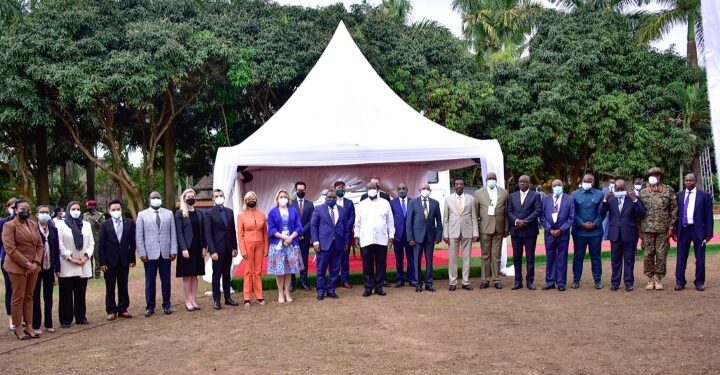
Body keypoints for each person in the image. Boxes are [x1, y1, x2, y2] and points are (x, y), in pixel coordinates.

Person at [2, 199, 43, 340]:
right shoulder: (9, 226)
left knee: (29, 297)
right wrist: (27, 264)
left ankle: (29, 326)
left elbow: (40, 245)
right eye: (22, 209)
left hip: (34, 266)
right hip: (17, 267)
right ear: (15, 210)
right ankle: (18, 328)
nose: (26, 212)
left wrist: (36, 262)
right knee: (18, 298)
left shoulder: (32, 224)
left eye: (28, 209)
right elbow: (10, 249)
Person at [136, 191, 177, 317]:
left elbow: (173, 233)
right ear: (149, 199)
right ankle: (150, 306)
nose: (156, 199)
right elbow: (139, 236)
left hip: (165, 253)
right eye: (153, 197)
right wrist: (142, 253)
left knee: (166, 281)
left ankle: (167, 305)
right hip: (149, 254)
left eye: (158, 197)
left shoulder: (169, 214)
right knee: (150, 282)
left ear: (161, 199)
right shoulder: (142, 215)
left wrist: (173, 250)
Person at [600, 180, 646, 291]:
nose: (619, 191)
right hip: (615, 234)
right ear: (614, 188)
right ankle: (615, 282)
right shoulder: (610, 199)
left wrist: (635, 199)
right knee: (615, 259)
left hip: (629, 233)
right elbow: (601, 212)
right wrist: (605, 199)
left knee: (629, 259)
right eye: (618, 189)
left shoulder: (632, 198)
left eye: (622, 189)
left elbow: (642, 212)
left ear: (625, 188)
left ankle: (629, 283)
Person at [57, 201, 94, 327]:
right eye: (73, 208)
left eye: (78, 209)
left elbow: (91, 243)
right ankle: (66, 320)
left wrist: (85, 257)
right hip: (68, 264)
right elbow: (60, 244)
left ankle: (80, 317)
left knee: (80, 293)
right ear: (68, 210)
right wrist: (70, 258)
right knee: (66, 294)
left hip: (83, 263)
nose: (76, 211)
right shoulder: (61, 224)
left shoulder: (86, 225)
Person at [639, 167, 677, 291]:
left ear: (659, 176)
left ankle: (658, 279)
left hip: (663, 229)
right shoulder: (643, 192)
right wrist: (639, 230)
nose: (652, 176)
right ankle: (650, 279)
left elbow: (674, 210)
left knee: (661, 254)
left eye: (655, 174)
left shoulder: (668, 190)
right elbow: (637, 212)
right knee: (648, 254)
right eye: (650, 174)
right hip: (646, 229)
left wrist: (671, 228)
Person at [674, 173, 713, 291]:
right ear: (684, 182)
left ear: (695, 181)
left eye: (691, 180)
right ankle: (680, 281)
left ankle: (699, 282)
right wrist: (675, 230)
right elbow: (675, 215)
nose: (689, 182)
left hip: (699, 231)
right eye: (687, 180)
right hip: (683, 230)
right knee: (681, 257)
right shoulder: (678, 196)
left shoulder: (704, 196)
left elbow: (708, 216)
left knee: (700, 258)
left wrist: (709, 233)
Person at [98, 199, 136, 321]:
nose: (116, 211)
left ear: (122, 210)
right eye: (113, 210)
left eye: (118, 209)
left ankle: (123, 308)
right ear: (109, 211)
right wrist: (102, 262)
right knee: (110, 286)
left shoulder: (129, 223)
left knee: (123, 285)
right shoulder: (105, 225)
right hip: (109, 261)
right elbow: (101, 245)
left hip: (124, 259)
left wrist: (132, 258)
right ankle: (111, 310)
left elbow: (132, 243)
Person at [355, 182, 394, 297]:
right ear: (366, 190)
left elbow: (390, 222)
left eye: (374, 188)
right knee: (367, 264)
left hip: (381, 238)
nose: (372, 189)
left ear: (377, 189)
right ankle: (368, 286)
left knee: (381, 264)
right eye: (369, 188)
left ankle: (379, 286)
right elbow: (357, 223)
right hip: (366, 238)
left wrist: (391, 236)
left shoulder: (385, 203)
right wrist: (356, 236)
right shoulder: (361, 204)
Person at [311, 190, 351, 300]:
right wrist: (315, 242)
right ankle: (321, 290)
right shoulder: (318, 209)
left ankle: (331, 290)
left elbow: (347, 227)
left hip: (338, 244)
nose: (332, 199)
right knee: (321, 269)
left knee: (335, 269)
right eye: (329, 197)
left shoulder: (342, 210)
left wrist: (347, 242)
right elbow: (313, 226)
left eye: (334, 197)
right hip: (323, 244)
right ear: (325, 198)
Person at [266, 189, 304, 303]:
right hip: (278, 245)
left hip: (291, 244)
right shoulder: (272, 212)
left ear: (288, 198)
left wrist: (291, 237)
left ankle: (287, 292)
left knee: (288, 270)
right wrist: (284, 238)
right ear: (277, 199)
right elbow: (271, 229)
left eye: (285, 196)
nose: (283, 198)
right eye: (281, 196)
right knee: (280, 270)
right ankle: (280, 294)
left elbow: (299, 227)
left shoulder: (293, 211)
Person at [204, 189, 239, 310]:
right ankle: (216, 300)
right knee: (216, 275)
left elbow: (233, 231)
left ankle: (228, 297)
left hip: (229, 248)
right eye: (216, 196)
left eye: (221, 195)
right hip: (217, 250)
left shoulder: (230, 212)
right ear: (213, 199)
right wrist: (212, 251)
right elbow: (208, 234)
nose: (219, 197)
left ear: (224, 197)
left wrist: (235, 247)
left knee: (227, 274)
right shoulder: (209, 213)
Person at [570, 173, 606, 289]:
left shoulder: (600, 194)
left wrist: (595, 224)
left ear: (593, 182)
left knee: (595, 256)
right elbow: (573, 212)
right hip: (579, 232)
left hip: (595, 232)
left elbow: (602, 212)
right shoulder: (574, 194)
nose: (586, 182)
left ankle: (597, 280)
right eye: (585, 180)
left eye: (589, 181)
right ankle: (576, 280)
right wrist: (582, 224)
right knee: (578, 256)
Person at [474, 172, 509, 289]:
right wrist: (476, 230)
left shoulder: (504, 193)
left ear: (496, 179)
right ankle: (485, 280)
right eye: (489, 178)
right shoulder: (478, 193)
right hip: (484, 228)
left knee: (496, 255)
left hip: (499, 228)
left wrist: (506, 228)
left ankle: (496, 279)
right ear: (486, 180)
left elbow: (506, 213)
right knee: (485, 255)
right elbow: (475, 213)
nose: (491, 180)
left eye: (493, 178)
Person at [507, 175, 542, 290]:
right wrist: (517, 221)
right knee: (516, 257)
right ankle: (518, 281)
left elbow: (537, 210)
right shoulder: (512, 196)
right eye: (520, 181)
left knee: (530, 257)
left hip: (529, 231)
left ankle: (530, 281)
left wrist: (525, 221)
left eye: (524, 181)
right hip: (516, 231)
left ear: (529, 183)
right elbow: (509, 211)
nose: (522, 183)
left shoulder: (535, 195)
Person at [443, 177, 479, 291]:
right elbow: (445, 218)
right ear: (454, 186)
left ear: (464, 185)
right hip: (453, 232)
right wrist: (445, 234)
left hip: (467, 231)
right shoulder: (448, 199)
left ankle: (465, 281)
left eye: (461, 184)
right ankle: (452, 282)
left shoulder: (471, 199)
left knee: (467, 258)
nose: (459, 186)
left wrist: (475, 233)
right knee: (452, 258)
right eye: (457, 184)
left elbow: (474, 217)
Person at [540, 180, 575, 291]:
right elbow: (542, 217)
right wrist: (549, 229)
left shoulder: (569, 199)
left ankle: (561, 282)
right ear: (552, 187)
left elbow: (571, 217)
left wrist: (561, 229)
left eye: (559, 185)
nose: (557, 187)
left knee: (562, 257)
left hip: (563, 233)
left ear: (563, 186)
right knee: (550, 257)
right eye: (555, 185)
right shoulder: (545, 199)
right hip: (549, 233)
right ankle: (550, 281)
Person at [407, 183, 443, 293]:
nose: (425, 190)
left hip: (430, 237)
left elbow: (439, 222)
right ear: (419, 190)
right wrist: (410, 237)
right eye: (423, 188)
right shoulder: (413, 203)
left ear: (430, 190)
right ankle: (418, 283)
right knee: (417, 261)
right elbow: (409, 222)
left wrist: (438, 236)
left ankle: (429, 283)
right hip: (417, 238)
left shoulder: (435, 203)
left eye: (427, 188)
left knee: (429, 261)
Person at [175, 189, 206, 311]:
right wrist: (183, 248)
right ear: (184, 198)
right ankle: (187, 301)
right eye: (188, 196)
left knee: (195, 275)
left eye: (193, 196)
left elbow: (202, 231)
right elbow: (179, 232)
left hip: (198, 248)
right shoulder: (180, 213)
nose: (191, 198)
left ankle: (193, 299)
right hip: (187, 248)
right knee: (187, 276)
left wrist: (204, 247)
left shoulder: (200, 213)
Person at [237, 191, 268, 306]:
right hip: (247, 244)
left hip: (260, 244)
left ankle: (259, 295)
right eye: (249, 199)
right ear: (245, 201)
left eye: (253, 198)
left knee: (258, 271)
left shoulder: (262, 214)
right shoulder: (241, 215)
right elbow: (240, 234)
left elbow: (265, 232)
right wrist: (243, 250)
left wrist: (266, 248)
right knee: (248, 271)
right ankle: (246, 297)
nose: (251, 200)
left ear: (256, 200)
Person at [33, 205, 59, 333]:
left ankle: (49, 322)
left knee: (48, 296)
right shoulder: (33, 229)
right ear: (37, 214)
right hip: (37, 267)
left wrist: (57, 267)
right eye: (42, 212)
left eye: (47, 212)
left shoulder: (53, 229)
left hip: (49, 266)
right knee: (35, 296)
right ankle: (36, 324)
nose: (45, 214)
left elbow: (56, 249)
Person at [290, 181, 314, 292]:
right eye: (299, 190)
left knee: (304, 259)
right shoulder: (290, 204)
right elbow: (289, 221)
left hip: (304, 237)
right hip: (292, 237)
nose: (300, 192)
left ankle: (304, 281)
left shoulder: (310, 204)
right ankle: (292, 283)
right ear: (295, 190)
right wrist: (296, 234)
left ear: (305, 190)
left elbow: (311, 221)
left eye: (302, 190)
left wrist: (301, 232)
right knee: (292, 259)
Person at [389, 183, 414, 287]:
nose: (401, 190)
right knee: (399, 258)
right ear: (396, 190)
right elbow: (389, 219)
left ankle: (412, 278)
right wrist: (391, 234)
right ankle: (400, 279)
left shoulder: (412, 202)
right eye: (399, 189)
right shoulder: (392, 203)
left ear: (407, 190)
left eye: (403, 188)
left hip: (410, 236)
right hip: (397, 236)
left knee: (411, 258)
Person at [334, 181, 355, 289]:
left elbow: (352, 217)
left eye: (342, 187)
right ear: (334, 189)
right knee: (333, 258)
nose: (341, 189)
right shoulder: (331, 201)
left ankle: (345, 280)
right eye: (338, 187)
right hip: (334, 235)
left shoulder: (349, 203)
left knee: (345, 259)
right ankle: (334, 280)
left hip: (346, 234)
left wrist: (345, 226)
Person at [1, 197, 18, 331]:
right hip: (7, 259)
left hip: (24, 260)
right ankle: (12, 319)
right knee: (10, 290)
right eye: (11, 207)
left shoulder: (27, 223)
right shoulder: (3, 223)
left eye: (15, 207)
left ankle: (22, 317)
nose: (13, 209)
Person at [84, 199, 104, 279]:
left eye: (90, 206)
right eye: (88, 206)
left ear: (94, 206)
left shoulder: (100, 215)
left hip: (96, 238)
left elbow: (103, 227)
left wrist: (97, 223)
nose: (88, 207)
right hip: (87, 239)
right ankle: (90, 273)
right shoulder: (85, 215)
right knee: (89, 256)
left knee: (97, 257)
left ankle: (97, 273)